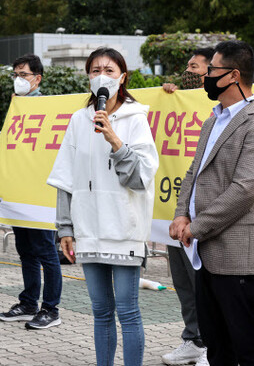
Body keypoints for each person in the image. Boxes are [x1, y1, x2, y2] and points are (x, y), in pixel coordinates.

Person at [169, 40, 254, 366]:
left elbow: (244, 190)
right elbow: (194, 173)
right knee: (216, 347)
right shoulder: (212, 120)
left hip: (237, 258)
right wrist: (179, 215)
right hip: (204, 255)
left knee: (244, 349)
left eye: (211, 70)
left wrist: (197, 227)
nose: (205, 76)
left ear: (232, 75)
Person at [48, 47, 159, 366]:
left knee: (128, 310)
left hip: (124, 228)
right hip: (89, 228)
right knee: (100, 311)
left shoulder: (136, 119)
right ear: (87, 78)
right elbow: (65, 177)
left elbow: (140, 177)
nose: (101, 76)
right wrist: (65, 229)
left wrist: (115, 140)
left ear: (123, 78)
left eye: (109, 71)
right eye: (95, 70)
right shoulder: (78, 120)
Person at [0, 54, 63, 330]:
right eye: (16, 74)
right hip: (17, 192)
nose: (18, 79)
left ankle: (51, 309)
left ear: (38, 78)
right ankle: (28, 303)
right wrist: (0, 187)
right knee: (26, 251)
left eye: (24, 74)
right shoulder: (16, 107)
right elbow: (9, 153)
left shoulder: (48, 107)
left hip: (41, 193)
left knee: (46, 252)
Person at [159, 47, 214, 366]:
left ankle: (211, 343)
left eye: (195, 67)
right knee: (182, 280)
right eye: (187, 66)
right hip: (172, 208)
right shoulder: (178, 100)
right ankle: (192, 339)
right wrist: (170, 96)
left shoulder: (221, 110)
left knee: (202, 281)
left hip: (204, 212)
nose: (188, 72)